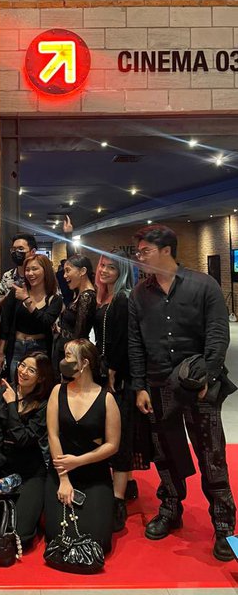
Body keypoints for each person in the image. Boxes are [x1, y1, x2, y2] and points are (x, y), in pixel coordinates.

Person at [129, 223, 236, 561]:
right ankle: (170, 508)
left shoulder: (203, 285)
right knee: (166, 453)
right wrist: (139, 386)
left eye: (145, 251)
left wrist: (208, 378)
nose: (139, 257)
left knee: (212, 456)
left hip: (198, 385)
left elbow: (218, 335)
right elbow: (135, 344)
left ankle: (224, 526)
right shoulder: (139, 294)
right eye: (138, 251)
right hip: (159, 386)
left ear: (166, 251)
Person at [45, 339, 120, 554]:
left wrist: (78, 461)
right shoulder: (58, 391)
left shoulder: (107, 399)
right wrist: (64, 478)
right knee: (58, 538)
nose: (63, 361)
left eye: (68, 356)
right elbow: (53, 435)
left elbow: (113, 445)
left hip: (94, 473)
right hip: (61, 472)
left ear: (84, 362)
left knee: (97, 542)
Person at [94, 249, 150, 532]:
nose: (104, 271)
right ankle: (127, 485)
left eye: (111, 267)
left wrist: (114, 368)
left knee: (120, 434)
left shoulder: (123, 298)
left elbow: (125, 340)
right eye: (103, 266)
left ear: (123, 271)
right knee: (115, 431)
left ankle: (117, 501)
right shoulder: (107, 296)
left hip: (120, 378)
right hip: (109, 372)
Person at [0, 351, 55, 544]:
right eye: (22, 365)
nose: (23, 371)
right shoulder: (2, 391)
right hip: (4, 465)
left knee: (22, 534)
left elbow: (23, 439)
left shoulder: (45, 403)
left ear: (41, 377)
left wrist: (12, 404)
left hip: (30, 471)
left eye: (31, 370)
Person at [0, 254, 62, 382]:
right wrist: (0, 351)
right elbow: (6, 321)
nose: (30, 273)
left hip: (40, 348)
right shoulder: (17, 292)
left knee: (38, 385)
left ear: (46, 271)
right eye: (27, 270)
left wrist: (27, 300)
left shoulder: (54, 299)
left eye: (35, 269)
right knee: (14, 382)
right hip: (17, 346)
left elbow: (46, 322)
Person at [52, 254, 97, 371]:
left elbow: (80, 333)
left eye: (68, 270)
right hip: (66, 349)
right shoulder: (79, 294)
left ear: (82, 271)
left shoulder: (87, 296)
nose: (64, 275)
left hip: (72, 355)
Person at [0, 233, 37, 300]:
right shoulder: (7, 276)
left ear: (32, 252)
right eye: (14, 249)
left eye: (21, 249)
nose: (16, 252)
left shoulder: (40, 276)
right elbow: (0, 300)